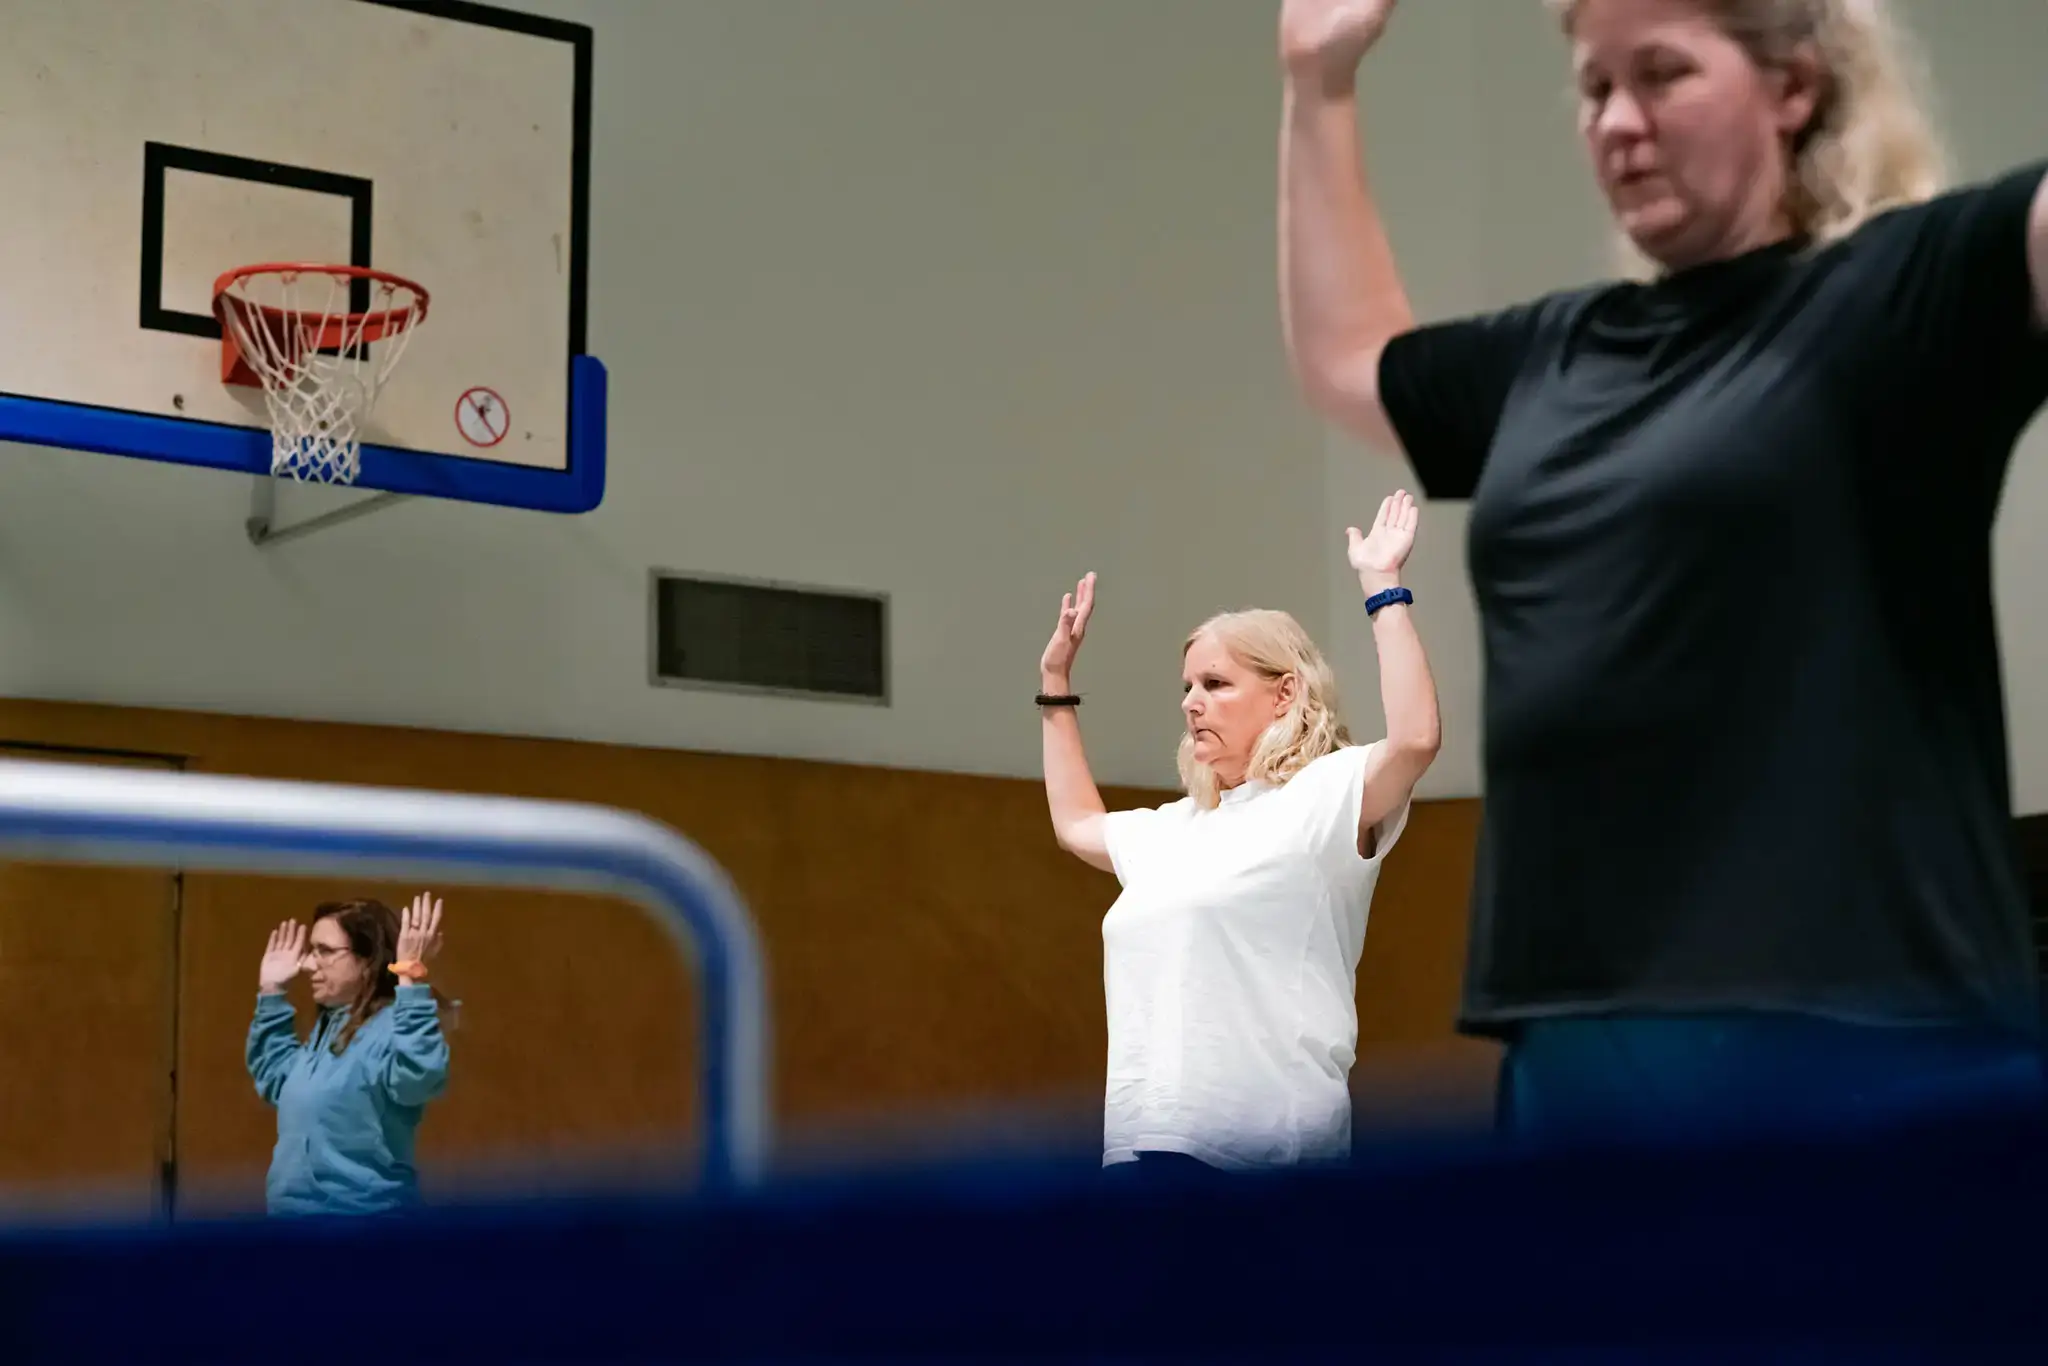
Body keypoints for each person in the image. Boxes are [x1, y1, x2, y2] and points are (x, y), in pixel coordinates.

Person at [1276, 0, 2048, 1144]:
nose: (1617, 122)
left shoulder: (1904, 294)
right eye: (1593, 90)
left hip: (1867, 1030)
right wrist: (1317, 83)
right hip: (1579, 1038)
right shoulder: (1553, 356)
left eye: (1662, 75)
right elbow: (1349, 360)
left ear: (1792, 87)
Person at [1040, 493, 1441, 1175]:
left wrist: (1383, 587)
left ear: (1285, 694)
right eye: (1187, 685)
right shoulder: (1177, 829)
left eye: (1216, 683)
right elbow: (1076, 824)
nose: (1190, 702)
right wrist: (1055, 684)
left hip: (1265, 1158)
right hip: (1142, 1154)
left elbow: (1414, 739)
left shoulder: (1321, 797)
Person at [246, 892, 451, 1215]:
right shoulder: (327, 1030)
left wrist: (409, 975)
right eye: (312, 951)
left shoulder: (388, 1028)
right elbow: (277, 1082)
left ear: (367, 961)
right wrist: (271, 991)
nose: (309, 963)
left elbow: (420, 1076)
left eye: (325, 951)